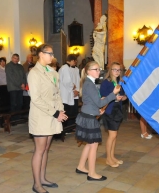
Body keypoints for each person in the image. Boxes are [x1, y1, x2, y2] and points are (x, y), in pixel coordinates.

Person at [27, 44, 67, 193]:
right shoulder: (34, 73)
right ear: (40, 54)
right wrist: (56, 113)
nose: (52, 56)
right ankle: (37, 184)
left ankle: (43, 178)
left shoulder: (52, 72)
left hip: (52, 115)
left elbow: (57, 94)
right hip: (40, 115)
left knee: (46, 149)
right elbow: (36, 98)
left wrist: (61, 109)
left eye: (52, 53)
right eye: (49, 53)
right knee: (39, 150)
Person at [75, 61, 121, 181]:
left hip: (89, 114)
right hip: (89, 118)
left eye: (99, 69)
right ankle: (92, 173)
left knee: (89, 144)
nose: (99, 71)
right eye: (96, 69)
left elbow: (92, 101)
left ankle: (81, 166)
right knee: (93, 145)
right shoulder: (89, 84)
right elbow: (100, 103)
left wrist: (97, 110)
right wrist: (113, 94)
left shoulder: (90, 83)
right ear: (88, 71)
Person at [100, 62, 127, 167]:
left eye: (119, 70)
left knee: (115, 136)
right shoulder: (106, 82)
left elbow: (124, 95)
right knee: (112, 135)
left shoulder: (120, 82)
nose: (117, 72)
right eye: (115, 69)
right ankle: (108, 159)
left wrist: (123, 97)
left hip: (117, 109)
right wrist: (114, 97)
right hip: (109, 110)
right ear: (110, 70)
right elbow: (103, 96)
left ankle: (112, 156)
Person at [58, 54, 80, 132]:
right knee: (67, 111)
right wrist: (72, 87)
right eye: (74, 61)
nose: (75, 62)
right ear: (71, 60)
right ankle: (65, 129)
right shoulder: (64, 68)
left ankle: (71, 126)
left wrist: (77, 90)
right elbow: (66, 81)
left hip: (73, 94)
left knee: (73, 111)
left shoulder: (76, 69)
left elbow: (78, 81)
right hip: (66, 94)